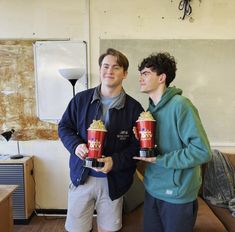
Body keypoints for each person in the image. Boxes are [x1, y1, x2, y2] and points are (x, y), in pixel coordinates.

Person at [58, 48, 144, 232]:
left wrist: (114, 161)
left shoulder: (134, 109)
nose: (109, 71)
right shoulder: (80, 100)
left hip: (114, 182)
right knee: (76, 229)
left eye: (116, 67)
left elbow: (138, 147)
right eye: (105, 66)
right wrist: (76, 146)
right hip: (81, 177)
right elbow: (64, 127)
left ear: (125, 73)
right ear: (100, 69)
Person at [133, 52, 212, 232]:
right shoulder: (149, 111)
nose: (140, 78)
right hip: (153, 189)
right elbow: (158, 148)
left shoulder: (181, 105)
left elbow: (202, 151)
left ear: (162, 77)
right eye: (141, 74)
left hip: (177, 196)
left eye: (146, 73)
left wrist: (160, 159)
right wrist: (142, 140)